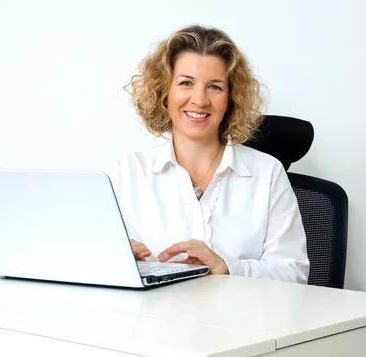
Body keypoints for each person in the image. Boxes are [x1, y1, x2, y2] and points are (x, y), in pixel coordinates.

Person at [106, 25, 309, 283]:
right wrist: (116, 259)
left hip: (241, 320)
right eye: (186, 83)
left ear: (231, 98)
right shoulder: (127, 173)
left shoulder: (268, 173)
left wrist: (226, 267)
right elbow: (85, 257)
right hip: (155, 320)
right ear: (163, 92)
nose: (200, 100)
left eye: (214, 87)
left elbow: (294, 273)